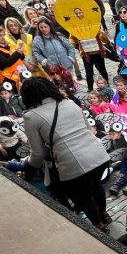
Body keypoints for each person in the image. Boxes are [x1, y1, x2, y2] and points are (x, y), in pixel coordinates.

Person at [20, 77, 110, 229]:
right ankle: (103, 213)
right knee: (96, 186)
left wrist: (28, 166)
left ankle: (99, 226)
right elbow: (88, 129)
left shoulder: (31, 117)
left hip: (74, 162)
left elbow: (38, 153)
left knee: (82, 197)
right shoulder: (69, 103)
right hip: (98, 153)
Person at [68, 7, 110, 91]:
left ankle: (107, 86)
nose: (79, 14)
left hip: (97, 50)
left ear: (83, 13)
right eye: (76, 13)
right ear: (74, 15)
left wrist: (104, 36)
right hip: (86, 53)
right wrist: (72, 43)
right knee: (89, 72)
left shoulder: (92, 23)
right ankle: (90, 89)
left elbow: (102, 37)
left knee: (102, 69)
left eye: (80, 12)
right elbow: (71, 38)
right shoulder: (74, 27)